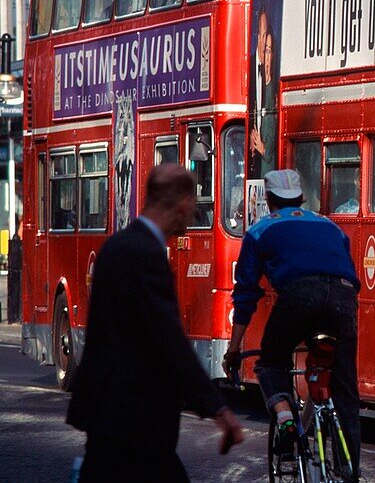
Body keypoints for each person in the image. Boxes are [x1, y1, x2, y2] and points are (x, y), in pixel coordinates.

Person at [66, 164, 243, 481]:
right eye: (194, 206)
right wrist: (219, 409)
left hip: (107, 416)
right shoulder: (147, 256)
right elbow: (170, 340)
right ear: (184, 204)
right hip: (135, 420)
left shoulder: (115, 246)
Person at [222, 169, 361, 480]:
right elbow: (350, 275)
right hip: (343, 297)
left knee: (271, 362)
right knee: (345, 388)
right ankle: (349, 470)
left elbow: (245, 295)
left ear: (269, 200)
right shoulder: (331, 227)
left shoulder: (260, 231)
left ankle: (285, 417)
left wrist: (233, 349)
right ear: (301, 198)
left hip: (299, 296)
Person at [249, 7, 278, 177]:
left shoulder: (275, 84)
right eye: (261, 36)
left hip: (267, 168)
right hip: (254, 165)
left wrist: (261, 147)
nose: (265, 52)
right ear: (257, 38)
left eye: (269, 49)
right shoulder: (248, 68)